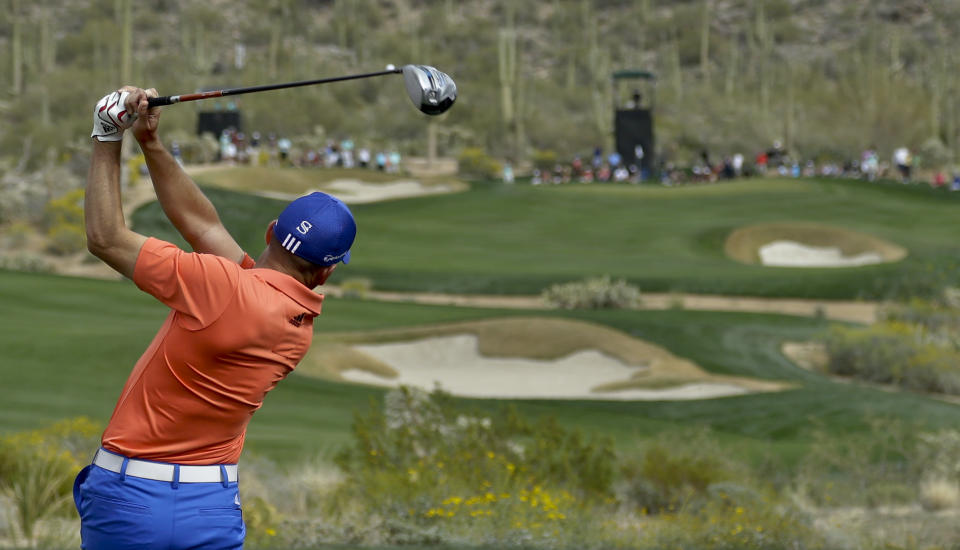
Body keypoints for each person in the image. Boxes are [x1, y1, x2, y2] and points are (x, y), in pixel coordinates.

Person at [77, 86, 357, 549]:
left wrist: (107, 132)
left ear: (271, 231)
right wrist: (151, 145)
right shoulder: (294, 323)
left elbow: (105, 238)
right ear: (327, 269)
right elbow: (203, 226)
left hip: (130, 496)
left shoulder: (220, 286)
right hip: (211, 504)